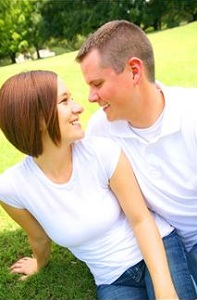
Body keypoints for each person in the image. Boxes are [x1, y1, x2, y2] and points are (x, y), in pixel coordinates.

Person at [0, 71, 195, 300]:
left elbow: (141, 219)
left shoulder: (103, 152)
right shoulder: (11, 188)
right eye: (65, 101)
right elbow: (39, 238)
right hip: (111, 278)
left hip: (159, 248)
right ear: (37, 119)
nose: (79, 107)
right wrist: (39, 263)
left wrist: (165, 290)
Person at [75, 19, 197, 288]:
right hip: (166, 243)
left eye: (97, 83)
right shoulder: (100, 129)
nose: (90, 97)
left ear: (133, 71)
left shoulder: (192, 112)